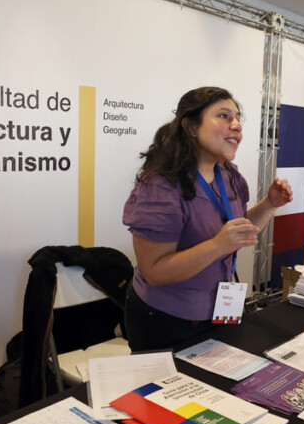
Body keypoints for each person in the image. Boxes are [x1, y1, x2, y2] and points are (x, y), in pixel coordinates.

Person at [122, 87, 292, 350]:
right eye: (224, 116)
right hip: (168, 318)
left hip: (222, 309)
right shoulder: (160, 185)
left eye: (237, 118)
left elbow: (236, 232)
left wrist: (269, 205)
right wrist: (217, 246)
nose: (236, 126)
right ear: (190, 127)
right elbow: (154, 271)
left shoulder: (228, 175)